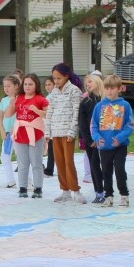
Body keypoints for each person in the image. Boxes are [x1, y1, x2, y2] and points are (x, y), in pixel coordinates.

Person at [91, 75, 134, 207]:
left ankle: (124, 195)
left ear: (119, 89)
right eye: (107, 88)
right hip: (104, 146)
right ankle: (108, 196)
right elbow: (93, 125)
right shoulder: (99, 106)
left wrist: (120, 138)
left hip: (120, 146)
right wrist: (97, 138)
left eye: (113, 88)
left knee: (120, 169)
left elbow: (130, 125)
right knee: (106, 171)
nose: (109, 91)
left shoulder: (125, 105)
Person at [47, 63, 87, 203]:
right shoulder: (54, 92)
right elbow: (50, 112)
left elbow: (77, 113)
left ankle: (75, 190)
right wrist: (48, 132)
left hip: (67, 133)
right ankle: (65, 191)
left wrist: (72, 131)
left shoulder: (74, 91)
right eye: (54, 78)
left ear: (66, 76)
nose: (56, 81)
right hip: (55, 133)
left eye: (58, 78)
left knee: (68, 161)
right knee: (59, 162)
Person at [6, 73, 48, 198]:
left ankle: (38, 188)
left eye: (30, 84)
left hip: (35, 134)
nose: (27, 87)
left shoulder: (41, 99)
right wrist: (11, 103)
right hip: (20, 134)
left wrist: (37, 111)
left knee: (36, 162)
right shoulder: (19, 98)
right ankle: (23, 188)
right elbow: (8, 114)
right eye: (25, 84)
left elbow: (48, 114)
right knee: (22, 163)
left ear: (36, 85)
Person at [78, 73, 106, 203]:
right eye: (86, 83)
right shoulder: (85, 102)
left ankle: (107, 191)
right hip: (91, 140)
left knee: (106, 165)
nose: (87, 84)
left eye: (90, 82)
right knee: (94, 165)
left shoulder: (105, 100)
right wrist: (88, 140)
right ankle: (98, 191)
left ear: (97, 82)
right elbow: (82, 123)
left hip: (105, 138)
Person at [0, 75, 20, 188]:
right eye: (4, 86)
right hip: (7, 135)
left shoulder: (20, 99)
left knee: (22, 157)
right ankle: (11, 181)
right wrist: (2, 131)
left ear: (16, 86)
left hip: (18, 134)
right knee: (5, 157)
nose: (6, 88)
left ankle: (29, 182)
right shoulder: (4, 100)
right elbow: (0, 118)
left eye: (9, 86)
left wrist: (14, 129)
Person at [43, 76, 56, 177]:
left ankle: (50, 169)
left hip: (55, 126)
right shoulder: (47, 97)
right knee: (50, 148)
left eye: (49, 84)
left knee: (53, 149)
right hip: (48, 126)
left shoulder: (54, 97)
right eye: (46, 85)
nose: (47, 87)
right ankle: (49, 169)